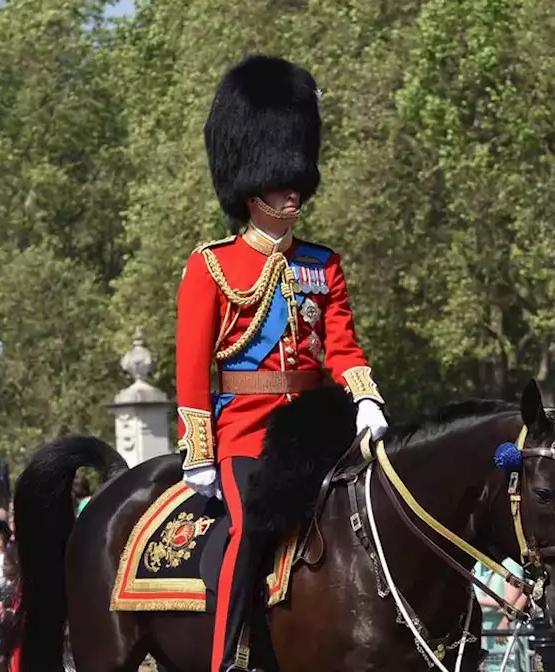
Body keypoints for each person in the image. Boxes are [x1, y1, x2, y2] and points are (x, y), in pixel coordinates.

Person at [175, 54, 390, 672]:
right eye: (280, 181)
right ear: (252, 184)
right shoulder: (211, 266)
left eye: (296, 179)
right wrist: (199, 453)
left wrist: (365, 397)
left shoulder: (322, 263)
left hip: (319, 427)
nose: (292, 190)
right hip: (245, 430)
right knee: (246, 536)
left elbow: (342, 345)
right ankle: (226, 660)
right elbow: (192, 369)